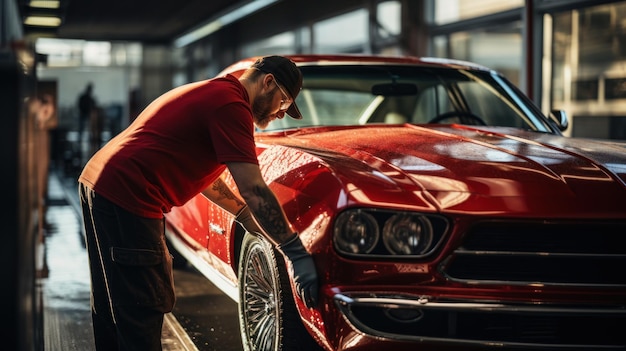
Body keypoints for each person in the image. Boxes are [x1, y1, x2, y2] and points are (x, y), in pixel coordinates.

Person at [78, 55, 318, 351]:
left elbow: (206, 177)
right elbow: (255, 189)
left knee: (114, 308)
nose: (281, 114)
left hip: (100, 183)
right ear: (268, 82)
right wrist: (295, 253)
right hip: (130, 193)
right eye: (283, 103)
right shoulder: (233, 107)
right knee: (143, 308)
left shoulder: (215, 93)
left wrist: (242, 214)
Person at [77, 83, 96, 159]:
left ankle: (84, 140)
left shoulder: (90, 99)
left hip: (87, 116)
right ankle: (80, 140)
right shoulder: (85, 98)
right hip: (84, 115)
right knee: (82, 130)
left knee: (87, 130)